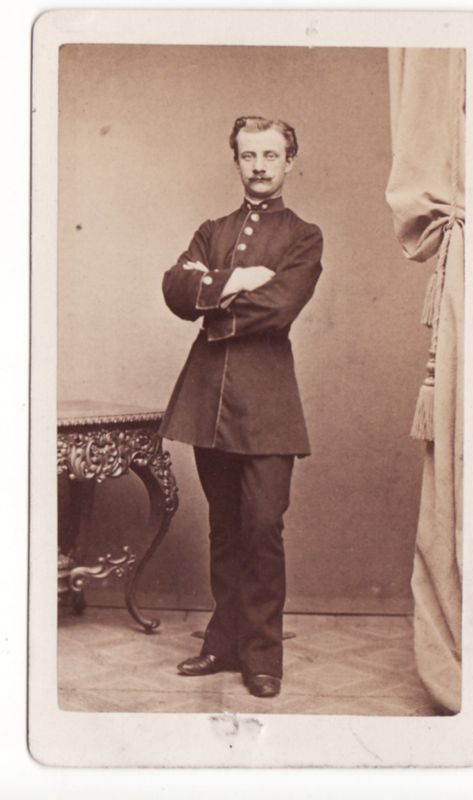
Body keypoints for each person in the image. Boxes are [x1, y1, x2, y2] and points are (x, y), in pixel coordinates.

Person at [159, 115, 323, 698]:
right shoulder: (212, 230)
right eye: (249, 155)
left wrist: (214, 292)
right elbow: (175, 289)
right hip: (208, 401)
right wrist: (243, 277)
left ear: (289, 162)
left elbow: (279, 306)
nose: (259, 166)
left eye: (270, 155)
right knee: (225, 529)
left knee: (262, 527)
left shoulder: (304, 237)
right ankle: (223, 644)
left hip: (269, 405)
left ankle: (262, 657)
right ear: (236, 162)